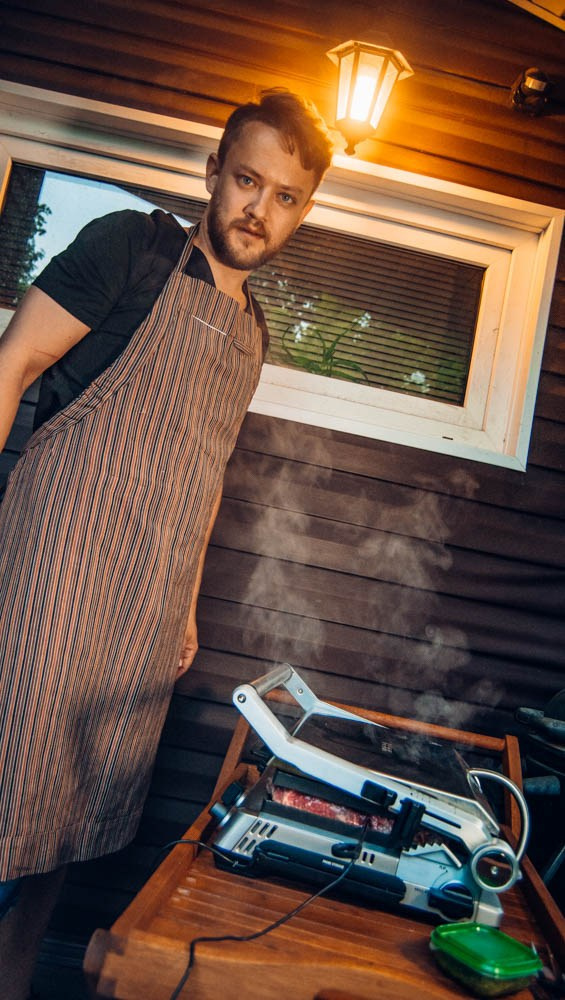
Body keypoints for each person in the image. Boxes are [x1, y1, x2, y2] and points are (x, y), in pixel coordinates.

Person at [0, 88, 333, 999]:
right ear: (214, 173)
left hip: (143, 604)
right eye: (245, 181)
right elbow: (14, 362)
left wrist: (182, 604)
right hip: (49, 567)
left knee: (70, 818)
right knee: (7, 788)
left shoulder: (254, 335)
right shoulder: (130, 247)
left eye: (285, 196)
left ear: (304, 210)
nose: (258, 210)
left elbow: (205, 470)